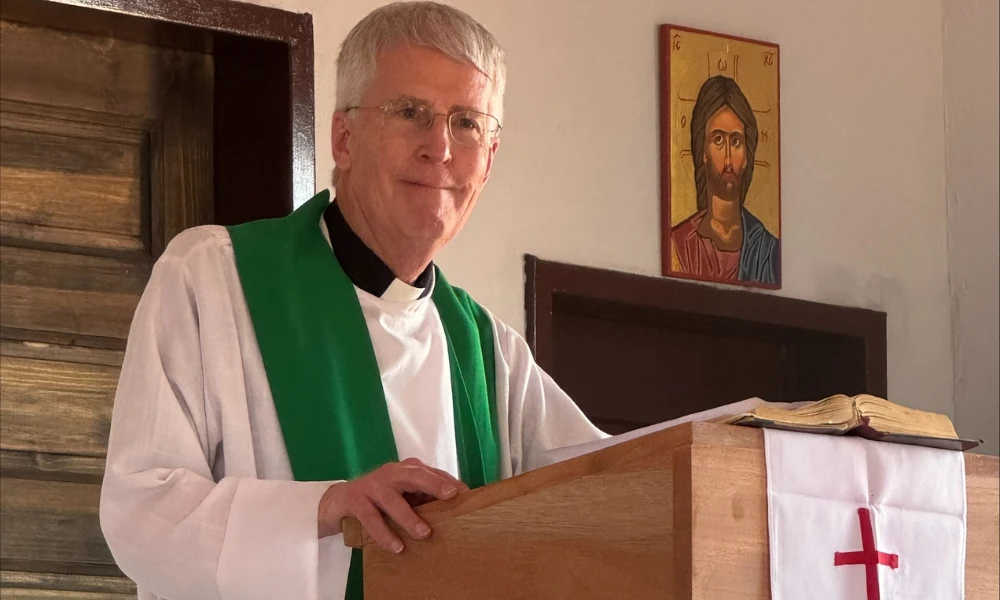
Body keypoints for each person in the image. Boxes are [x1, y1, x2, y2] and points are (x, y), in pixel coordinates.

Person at [98, 3, 606, 599]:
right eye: (411, 112)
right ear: (343, 137)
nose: (439, 147)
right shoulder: (211, 278)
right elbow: (141, 513)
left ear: (489, 160)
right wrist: (325, 506)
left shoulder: (490, 352)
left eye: (467, 122)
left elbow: (610, 491)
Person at [669, 75, 780, 285]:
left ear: (747, 155)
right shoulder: (680, 244)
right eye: (718, 140)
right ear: (703, 151)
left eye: (736, 142)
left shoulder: (767, 250)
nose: (728, 158)